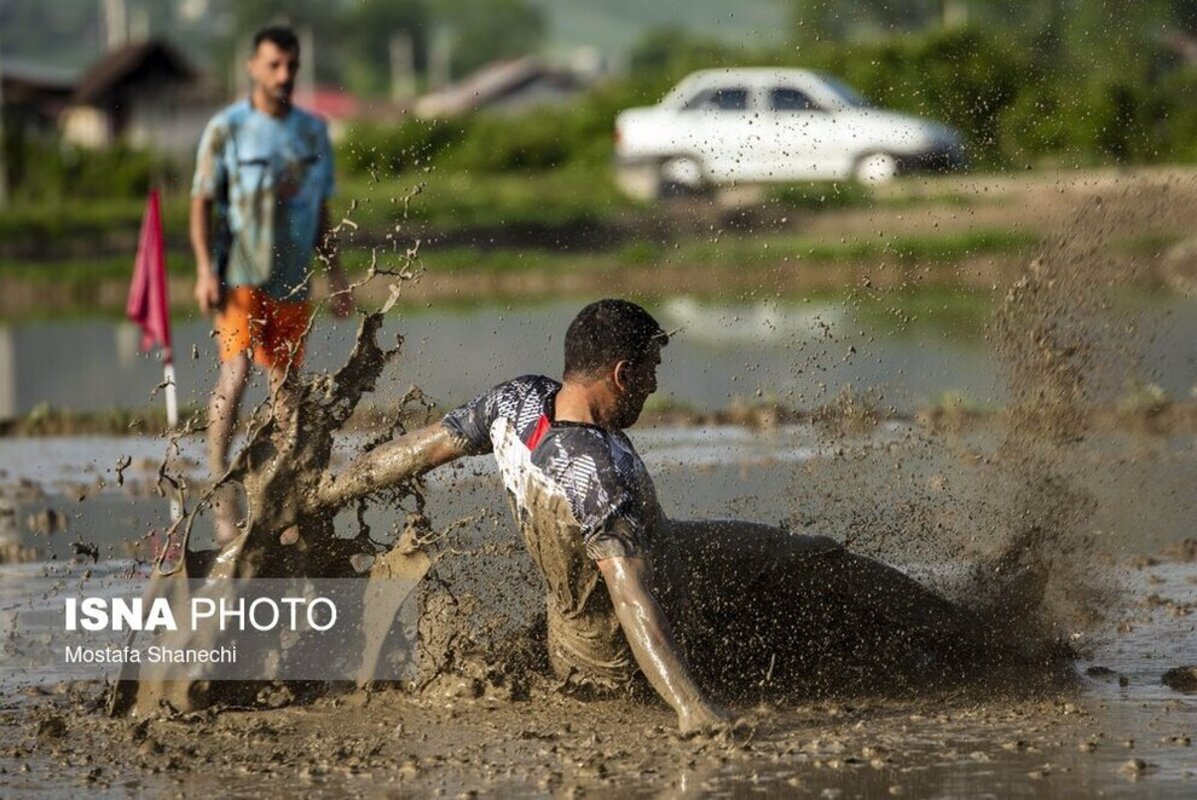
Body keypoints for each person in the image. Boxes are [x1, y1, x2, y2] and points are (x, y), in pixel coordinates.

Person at [322, 299, 986, 733]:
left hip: (657, 554)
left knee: (810, 555)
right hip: (610, 650)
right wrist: (691, 709)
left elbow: (419, 449)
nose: (657, 384)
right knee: (765, 632)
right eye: (651, 370)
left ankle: (966, 630)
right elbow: (630, 595)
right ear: (620, 372)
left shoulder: (517, 400)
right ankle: (975, 651)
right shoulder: (594, 474)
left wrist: (322, 495)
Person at [190, 25, 352, 543]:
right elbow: (201, 201)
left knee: (286, 387)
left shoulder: (311, 131)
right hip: (240, 271)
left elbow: (321, 207)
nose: (284, 75)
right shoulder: (228, 128)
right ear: (254, 67)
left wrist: (337, 275)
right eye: (274, 65)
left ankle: (284, 487)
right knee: (235, 373)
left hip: (294, 276)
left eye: (291, 66)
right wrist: (201, 269)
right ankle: (219, 476)